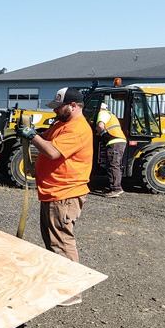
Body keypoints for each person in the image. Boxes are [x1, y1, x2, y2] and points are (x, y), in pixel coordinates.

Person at [18, 87, 93, 306]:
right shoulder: (63, 124)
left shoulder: (77, 128)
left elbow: (52, 152)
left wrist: (31, 136)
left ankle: (71, 291)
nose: (55, 111)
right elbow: (46, 141)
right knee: (53, 240)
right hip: (54, 192)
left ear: (73, 106)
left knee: (61, 241)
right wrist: (32, 133)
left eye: (59, 107)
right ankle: (61, 284)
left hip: (65, 194)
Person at [96, 102, 127, 198]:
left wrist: (98, 133)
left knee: (113, 165)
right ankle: (113, 186)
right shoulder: (111, 115)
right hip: (117, 141)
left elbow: (100, 126)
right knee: (113, 165)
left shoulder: (103, 113)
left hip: (114, 142)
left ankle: (116, 189)